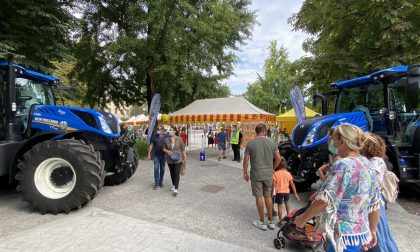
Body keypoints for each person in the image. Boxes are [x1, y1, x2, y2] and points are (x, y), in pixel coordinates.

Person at [294, 123, 382, 252]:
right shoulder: (367, 164)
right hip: (359, 234)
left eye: (334, 140)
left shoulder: (343, 165)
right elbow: (375, 202)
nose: (333, 144)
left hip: (342, 235)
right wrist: (373, 229)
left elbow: (325, 199)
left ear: (342, 141)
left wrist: (302, 218)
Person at [362, 133, 399, 252]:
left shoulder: (376, 161)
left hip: (373, 203)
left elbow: (373, 182)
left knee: (378, 234)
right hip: (371, 202)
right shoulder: (374, 160)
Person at [243, 123, 281, 231]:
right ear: (264, 131)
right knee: (268, 196)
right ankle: (270, 221)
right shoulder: (272, 143)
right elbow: (278, 158)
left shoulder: (250, 143)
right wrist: (273, 168)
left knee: (258, 197)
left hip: (256, 174)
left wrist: (245, 172)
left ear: (256, 131)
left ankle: (261, 222)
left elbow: (246, 160)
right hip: (268, 174)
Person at [272, 157, 299, 226]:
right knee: (287, 203)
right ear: (285, 166)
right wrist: (295, 194)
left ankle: (280, 222)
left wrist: (272, 193)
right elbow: (292, 184)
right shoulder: (288, 174)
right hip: (287, 192)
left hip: (279, 192)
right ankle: (289, 218)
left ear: (278, 165)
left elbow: (273, 185)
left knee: (280, 206)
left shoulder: (275, 173)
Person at [163, 125, 186, 197]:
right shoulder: (167, 139)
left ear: (175, 131)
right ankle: (173, 184)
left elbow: (183, 149)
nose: (170, 131)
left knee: (176, 172)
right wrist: (167, 151)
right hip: (170, 159)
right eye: (170, 130)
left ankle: (176, 188)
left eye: (172, 130)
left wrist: (185, 157)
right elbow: (163, 148)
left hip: (178, 158)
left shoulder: (179, 139)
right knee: (172, 173)